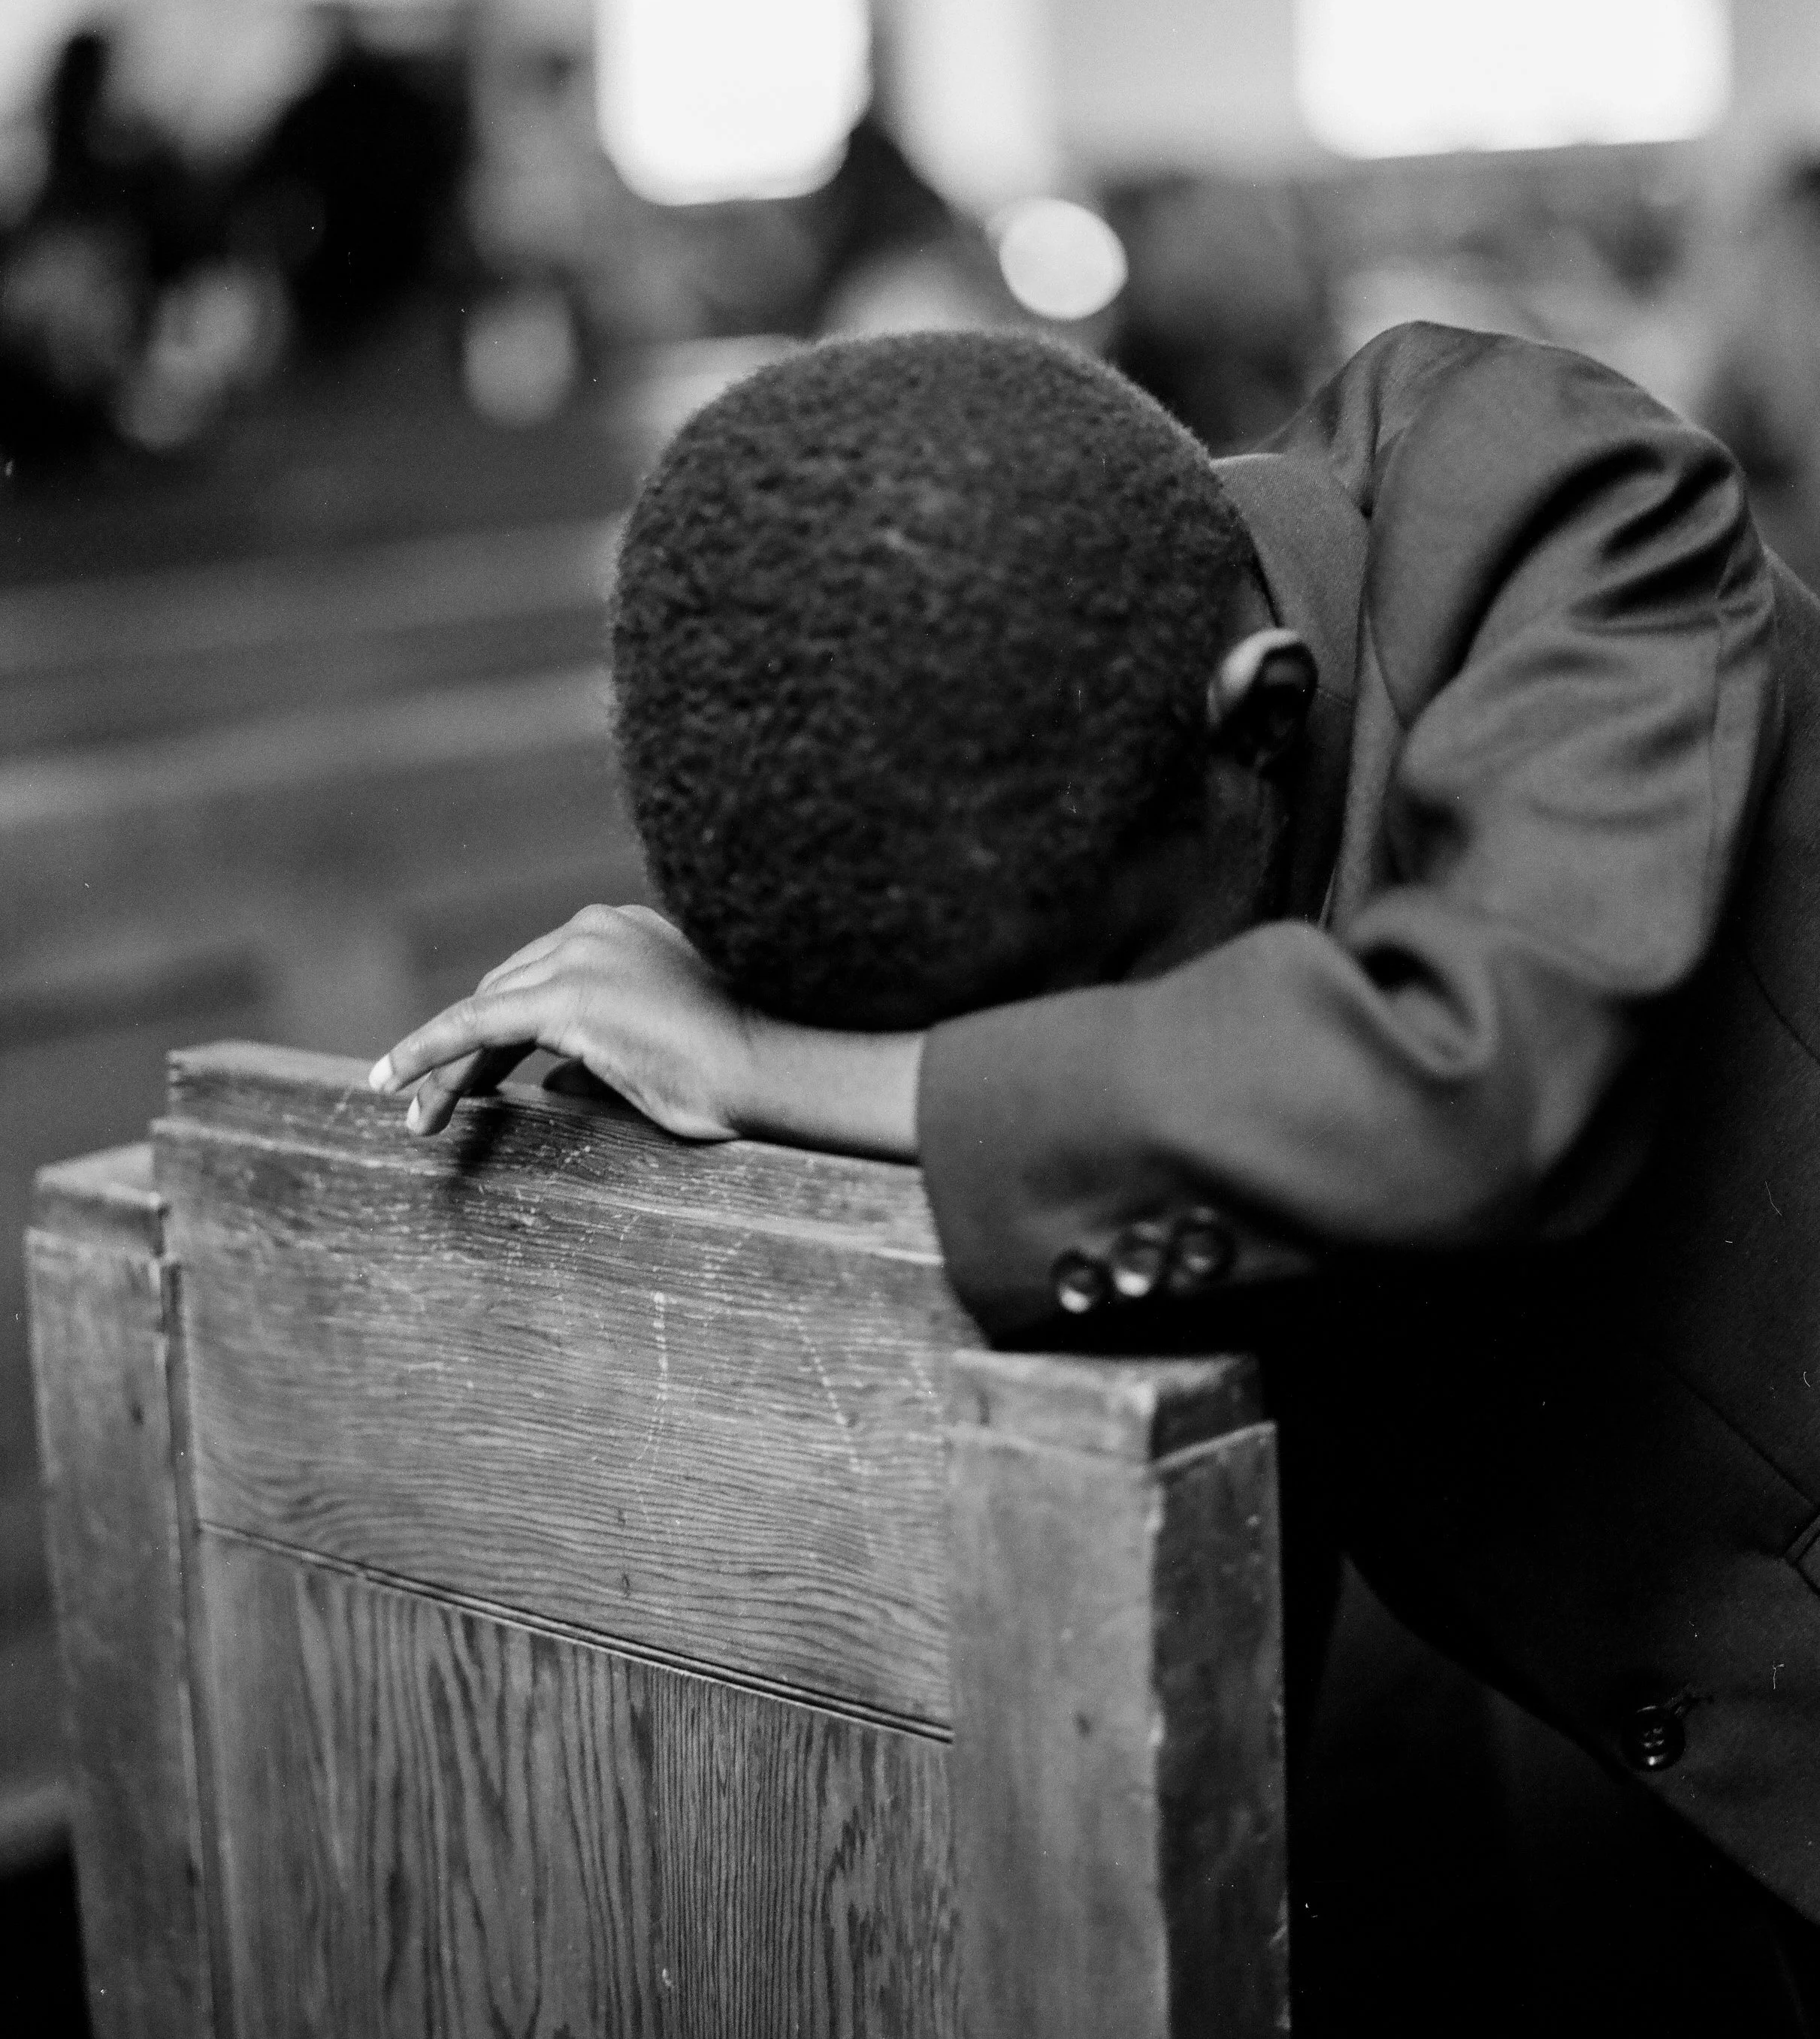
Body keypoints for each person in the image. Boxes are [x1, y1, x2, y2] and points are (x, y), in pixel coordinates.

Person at [371, 322, 1820, 2023]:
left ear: (1254, 721)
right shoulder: (1006, 722)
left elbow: (1472, 1095)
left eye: (1096, 995)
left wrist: (777, 1067)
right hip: (1616, 1734)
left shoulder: (1562, 502)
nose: (1094, 1064)